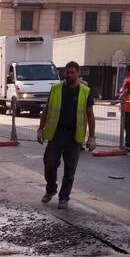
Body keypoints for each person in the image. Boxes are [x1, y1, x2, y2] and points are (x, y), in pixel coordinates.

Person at [37, 60, 96, 210]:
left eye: (72, 73)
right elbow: (47, 111)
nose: (69, 75)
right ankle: (51, 189)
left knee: (70, 169)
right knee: (49, 164)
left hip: (74, 136)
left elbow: (90, 115)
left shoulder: (85, 92)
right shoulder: (56, 89)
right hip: (56, 134)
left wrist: (92, 137)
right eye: (67, 72)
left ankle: (64, 198)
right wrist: (40, 129)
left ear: (78, 74)